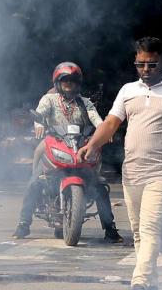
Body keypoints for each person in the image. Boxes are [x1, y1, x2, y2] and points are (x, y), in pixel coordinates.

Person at [77, 37, 162, 290]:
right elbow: (110, 123)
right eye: (140, 64)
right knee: (139, 232)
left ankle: (140, 282)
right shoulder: (127, 91)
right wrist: (92, 144)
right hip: (132, 171)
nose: (145, 69)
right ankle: (152, 287)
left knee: (150, 226)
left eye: (151, 64)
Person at [13, 62, 122, 242]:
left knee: (99, 187)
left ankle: (110, 229)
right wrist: (39, 124)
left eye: (72, 80)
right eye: (64, 80)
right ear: (57, 82)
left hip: (79, 145)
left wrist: (105, 130)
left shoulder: (85, 102)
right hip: (53, 141)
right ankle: (23, 224)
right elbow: (40, 114)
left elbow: (97, 119)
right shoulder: (49, 100)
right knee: (35, 181)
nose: (68, 83)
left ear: (78, 82)